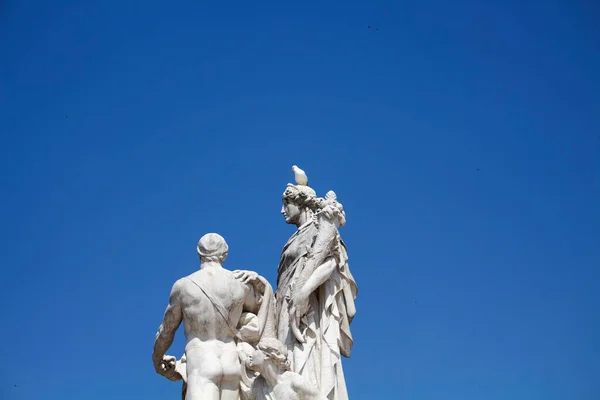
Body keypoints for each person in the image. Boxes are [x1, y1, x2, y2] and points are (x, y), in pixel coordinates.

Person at [152, 233, 269, 400]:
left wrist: (157, 360)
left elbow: (167, 330)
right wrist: (258, 281)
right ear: (224, 255)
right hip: (232, 362)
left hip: (202, 360)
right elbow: (262, 307)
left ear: (199, 253)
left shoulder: (183, 286)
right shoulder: (242, 284)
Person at [276, 181, 358, 400]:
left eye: (287, 203)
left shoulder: (320, 227)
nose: (282, 210)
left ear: (301, 204)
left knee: (306, 362)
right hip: (286, 308)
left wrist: (303, 292)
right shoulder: (297, 236)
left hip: (308, 313)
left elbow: (332, 263)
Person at [245, 338, 326, 400]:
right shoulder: (256, 386)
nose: (250, 355)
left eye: (256, 350)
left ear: (268, 356)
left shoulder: (294, 381)